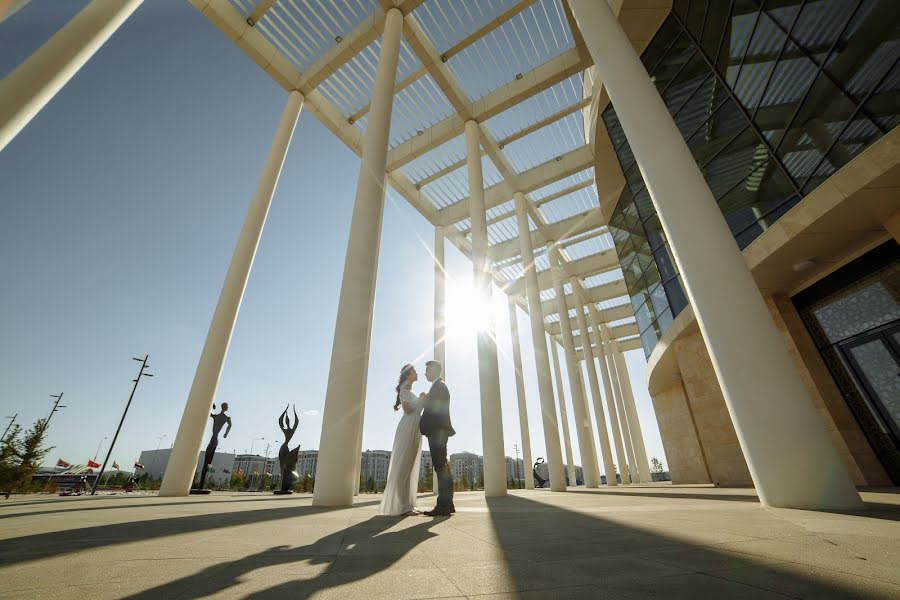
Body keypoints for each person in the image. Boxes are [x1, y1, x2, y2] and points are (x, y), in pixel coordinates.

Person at [379, 364, 424, 516]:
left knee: (410, 466)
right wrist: (422, 400)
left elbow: (417, 409)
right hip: (408, 427)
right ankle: (403, 507)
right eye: (414, 371)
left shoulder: (411, 391)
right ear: (408, 375)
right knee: (404, 467)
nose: (417, 373)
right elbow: (408, 410)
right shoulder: (404, 391)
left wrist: (422, 401)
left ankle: (409, 505)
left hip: (415, 427)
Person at [419, 360, 455, 517]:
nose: (425, 373)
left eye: (427, 370)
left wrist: (426, 400)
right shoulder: (438, 386)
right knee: (442, 467)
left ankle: (443, 506)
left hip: (437, 432)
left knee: (440, 467)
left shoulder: (439, 386)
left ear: (434, 370)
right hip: (438, 431)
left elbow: (436, 407)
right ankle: (448, 504)